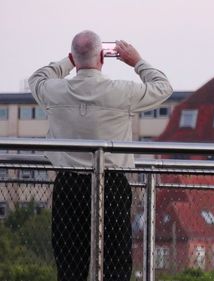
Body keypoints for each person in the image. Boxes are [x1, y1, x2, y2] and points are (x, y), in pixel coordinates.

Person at [29, 30, 173, 281]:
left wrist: (68, 61)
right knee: (116, 260)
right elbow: (163, 87)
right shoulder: (121, 91)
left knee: (69, 263)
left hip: (69, 184)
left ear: (74, 57)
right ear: (102, 58)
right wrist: (136, 61)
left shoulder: (55, 91)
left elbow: (38, 78)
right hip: (112, 184)